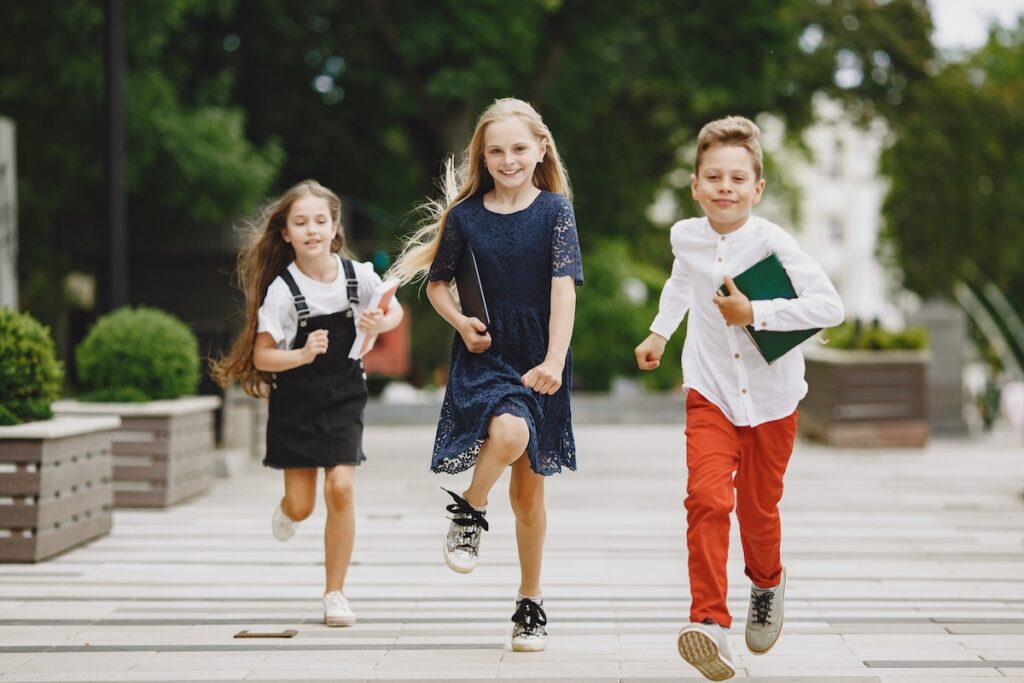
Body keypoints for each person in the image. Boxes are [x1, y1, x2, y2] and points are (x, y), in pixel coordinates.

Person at [634, 116, 844, 681]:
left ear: (758, 187)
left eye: (737, 178)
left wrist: (757, 313)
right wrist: (660, 331)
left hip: (773, 399)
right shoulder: (685, 236)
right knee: (706, 499)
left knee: (757, 510)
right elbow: (683, 279)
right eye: (713, 177)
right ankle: (708, 622)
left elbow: (830, 308)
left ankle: (768, 583)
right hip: (710, 392)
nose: (725, 187)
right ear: (696, 186)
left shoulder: (774, 241)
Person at [388, 97, 583, 652]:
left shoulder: (555, 212)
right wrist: (461, 322)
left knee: (528, 499)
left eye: (519, 147)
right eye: (495, 150)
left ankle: (530, 602)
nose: (508, 159)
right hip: (486, 351)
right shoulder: (466, 217)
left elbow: (563, 290)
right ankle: (471, 508)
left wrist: (552, 360)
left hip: (542, 356)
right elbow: (437, 284)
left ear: (540, 148)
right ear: (482, 155)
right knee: (509, 432)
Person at [212, 179, 403, 627]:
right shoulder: (282, 290)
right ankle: (287, 511)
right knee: (302, 505)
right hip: (295, 403)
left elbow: (391, 310)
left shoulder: (357, 276)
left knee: (341, 486)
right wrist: (301, 353)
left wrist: (381, 317)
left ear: (335, 227)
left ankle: (334, 593)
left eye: (321, 220)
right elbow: (262, 356)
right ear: (286, 233)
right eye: (301, 222)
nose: (312, 229)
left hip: (344, 397)